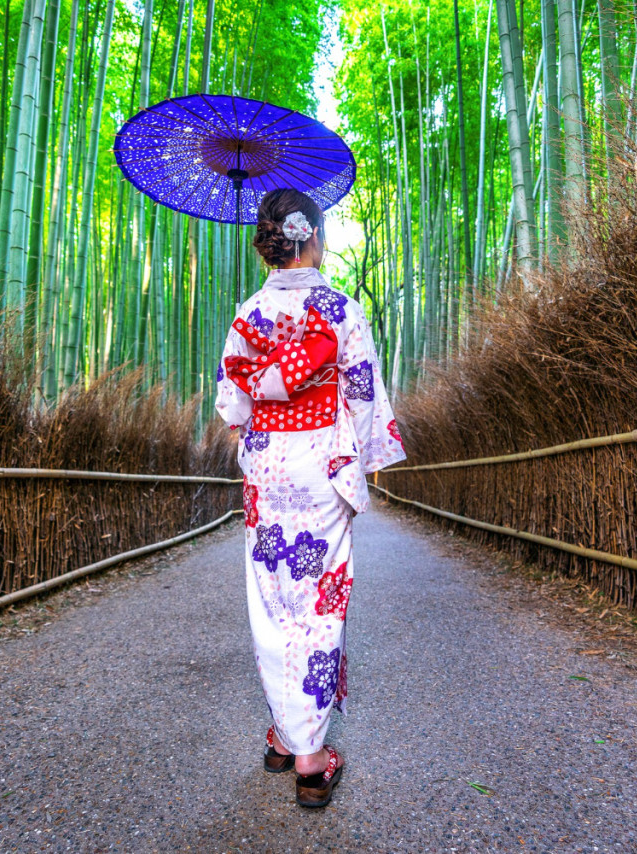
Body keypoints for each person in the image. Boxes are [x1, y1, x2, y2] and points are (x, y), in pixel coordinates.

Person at [215, 187, 405, 808]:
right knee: (319, 605)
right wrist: (369, 461)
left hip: (268, 470)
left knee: (271, 603)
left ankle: (281, 733)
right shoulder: (341, 309)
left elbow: (231, 405)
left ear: (269, 244)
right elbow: (363, 395)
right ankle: (311, 759)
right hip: (321, 466)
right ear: (313, 238)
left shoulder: (246, 315)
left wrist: (263, 425)